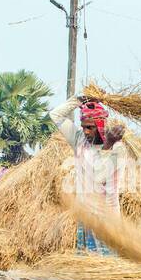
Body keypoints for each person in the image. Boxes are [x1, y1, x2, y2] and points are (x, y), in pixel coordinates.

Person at [50, 94, 126, 253]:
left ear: (100, 124)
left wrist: (108, 145)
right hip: (84, 216)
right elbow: (55, 115)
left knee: (107, 266)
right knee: (86, 264)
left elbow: (100, 176)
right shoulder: (79, 140)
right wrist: (78, 100)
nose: (85, 131)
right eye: (83, 126)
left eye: (89, 127)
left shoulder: (117, 148)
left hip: (107, 219)